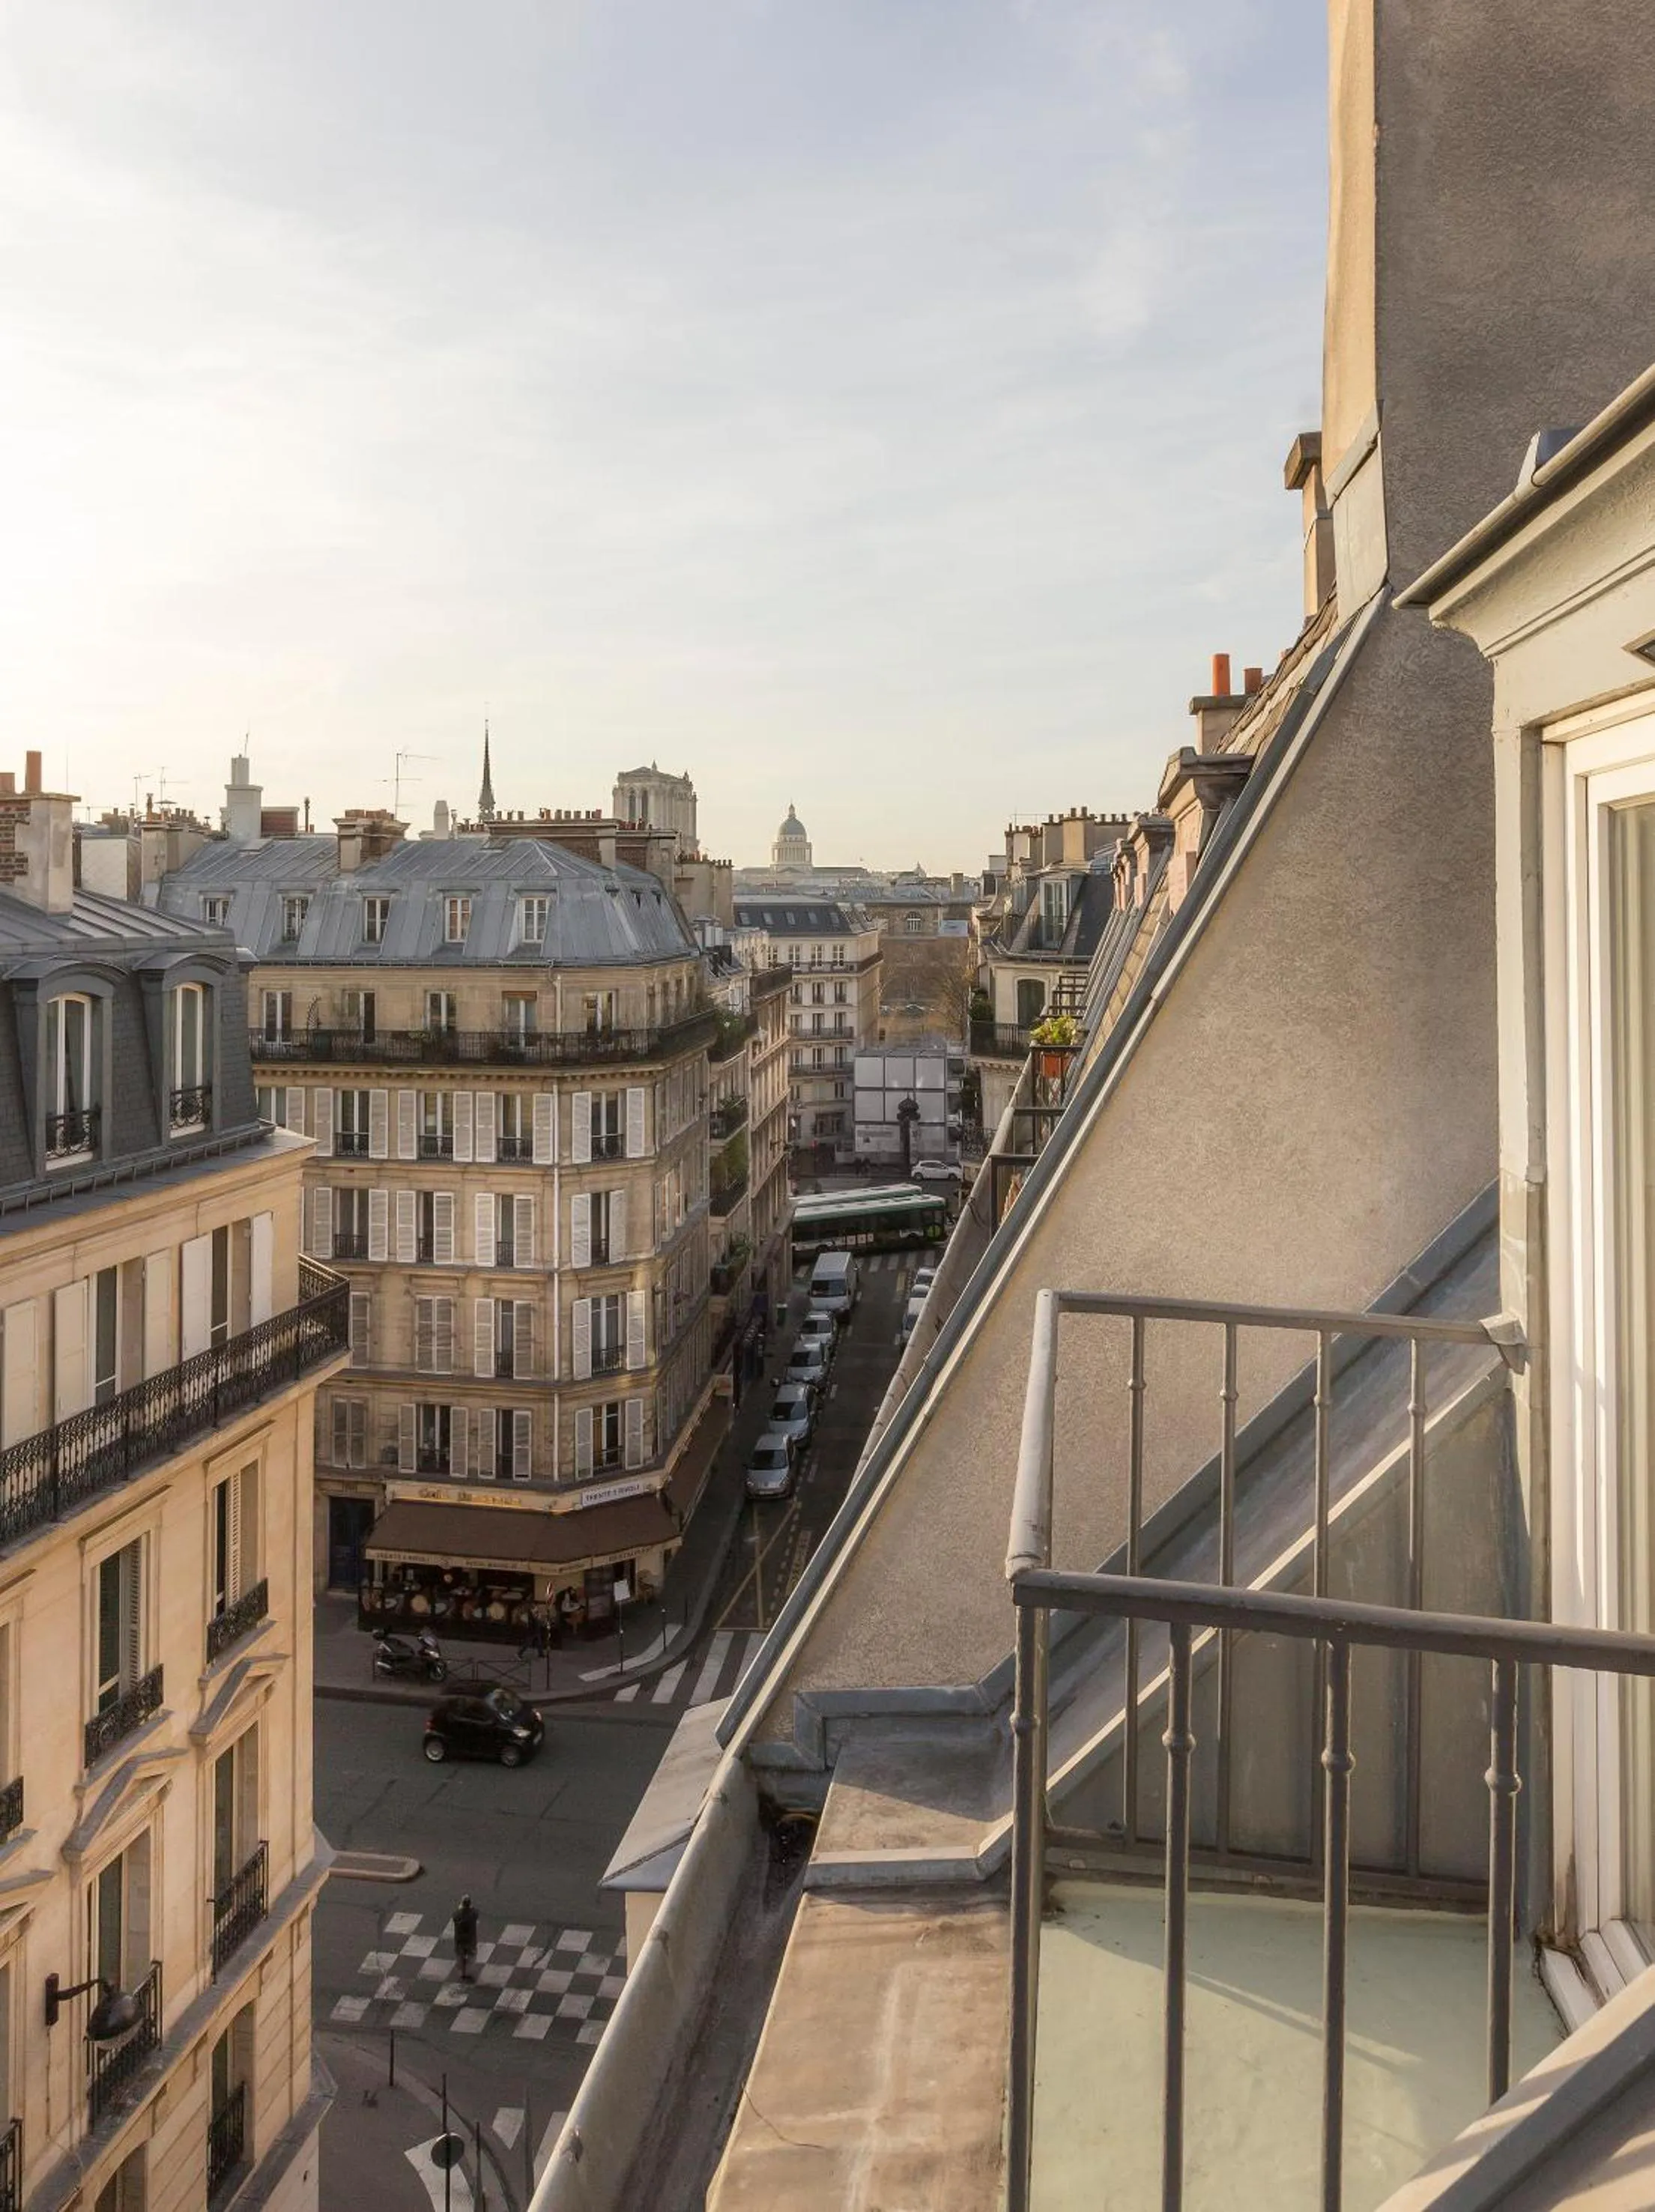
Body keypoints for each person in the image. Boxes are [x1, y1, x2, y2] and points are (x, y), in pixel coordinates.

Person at [453, 1894, 479, 1982]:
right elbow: (476, 1914)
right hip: (471, 1939)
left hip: (460, 1939)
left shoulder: (457, 1914)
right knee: (471, 1954)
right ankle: (468, 1971)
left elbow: (455, 1917)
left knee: (460, 1955)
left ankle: (462, 1972)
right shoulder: (474, 1913)